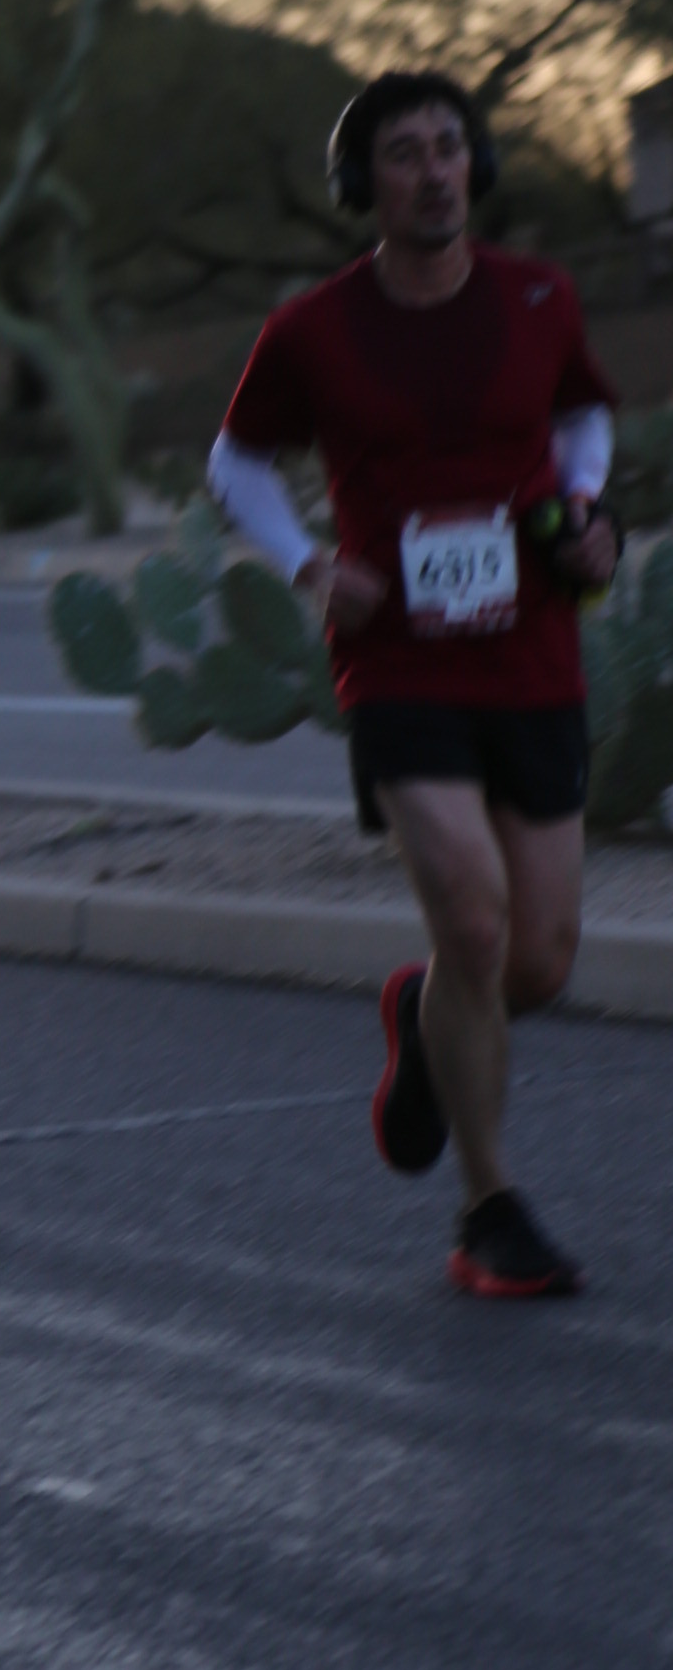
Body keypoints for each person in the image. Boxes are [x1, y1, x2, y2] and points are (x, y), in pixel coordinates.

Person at [207, 70, 619, 1297]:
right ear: (361, 184)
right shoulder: (312, 330)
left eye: (449, 147)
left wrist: (584, 513)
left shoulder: (537, 296)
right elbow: (235, 461)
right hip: (397, 661)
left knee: (536, 961)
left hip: (531, 647)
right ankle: (486, 1211)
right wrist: (306, 565)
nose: (433, 171)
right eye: (403, 153)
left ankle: (423, 1022)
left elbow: (581, 419)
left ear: (474, 167)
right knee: (474, 924)